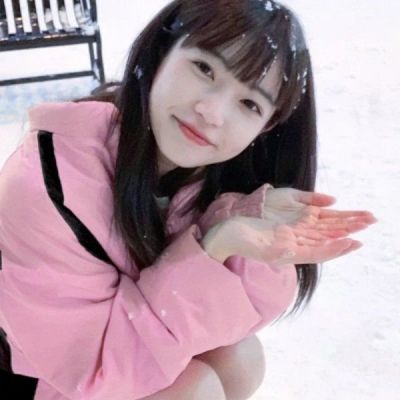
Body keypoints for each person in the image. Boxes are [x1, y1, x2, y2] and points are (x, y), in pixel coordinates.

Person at [0, 0, 377, 399]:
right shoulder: (51, 183)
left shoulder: (201, 176)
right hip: (34, 375)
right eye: (204, 68)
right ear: (163, 51)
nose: (211, 112)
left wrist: (240, 231)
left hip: (103, 364)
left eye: (249, 104)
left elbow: (232, 323)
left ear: (266, 127)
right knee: (195, 390)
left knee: (240, 358)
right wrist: (211, 250)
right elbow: (94, 368)